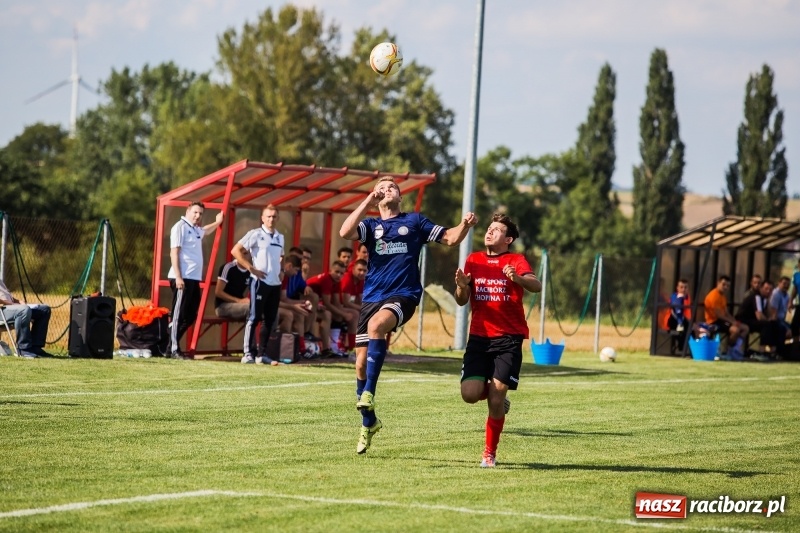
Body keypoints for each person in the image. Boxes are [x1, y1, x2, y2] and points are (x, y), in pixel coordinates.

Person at [339, 175, 478, 455]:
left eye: (393, 187)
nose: (388, 190)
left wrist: (464, 224)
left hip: (404, 295)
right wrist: (368, 199)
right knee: (359, 365)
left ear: (400, 197)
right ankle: (369, 422)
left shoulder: (414, 221)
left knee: (379, 325)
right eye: (383, 187)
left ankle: (369, 394)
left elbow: (450, 238)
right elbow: (344, 233)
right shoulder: (371, 226)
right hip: (372, 298)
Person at [454, 214, 541, 468]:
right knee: (469, 395)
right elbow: (461, 300)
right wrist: (461, 286)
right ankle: (497, 398)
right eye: (489, 228)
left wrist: (518, 278)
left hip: (508, 338)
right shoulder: (473, 260)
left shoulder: (516, 260)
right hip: (479, 337)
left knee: (495, 396)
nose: (490, 232)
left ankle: (489, 454)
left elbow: (536, 285)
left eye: (497, 230)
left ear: (509, 239)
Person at [167, 201, 224, 359]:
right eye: (195, 212)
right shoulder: (180, 227)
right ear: (188, 211)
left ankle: (169, 342)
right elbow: (174, 253)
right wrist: (178, 276)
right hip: (182, 278)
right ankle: (173, 349)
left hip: (193, 279)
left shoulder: (196, 229)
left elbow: (206, 230)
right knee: (178, 314)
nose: (198, 216)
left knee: (191, 315)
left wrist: (218, 222)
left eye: (200, 214)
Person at [231, 204, 284, 366]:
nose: (271, 219)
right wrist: (251, 268)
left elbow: (281, 256)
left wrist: (281, 270)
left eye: (274, 216)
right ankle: (247, 353)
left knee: (270, 320)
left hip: (275, 284)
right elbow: (236, 250)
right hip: (260, 282)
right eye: (268, 216)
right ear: (262, 218)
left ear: (278, 218)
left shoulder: (280, 237)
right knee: (254, 317)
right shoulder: (255, 234)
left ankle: (262, 354)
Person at [306, 260, 355, 356]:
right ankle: (326, 348)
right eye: (336, 272)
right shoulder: (326, 279)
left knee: (343, 315)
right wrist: (344, 314)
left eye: (341, 273)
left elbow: (336, 303)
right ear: (330, 270)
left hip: (316, 304)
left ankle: (335, 347)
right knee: (328, 315)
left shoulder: (337, 282)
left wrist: (343, 313)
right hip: (307, 302)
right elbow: (327, 304)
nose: (339, 275)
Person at [0, 279, 52, 358]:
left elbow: (6, 297)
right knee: (24, 310)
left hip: (9, 308)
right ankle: (23, 349)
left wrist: (19, 301)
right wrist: (10, 303)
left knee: (44, 310)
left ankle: (35, 348)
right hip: (2, 311)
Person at [703, 275, 748, 360]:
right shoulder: (713, 295)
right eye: (724, 284)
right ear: (718, 283)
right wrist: (732, 323)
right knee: (735, 330)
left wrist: (734, 321)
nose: (725, 287)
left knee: (745, 328)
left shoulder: (723, 296)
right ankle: (729, 351)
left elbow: (726, 313)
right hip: (714, 321)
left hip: (722, 320)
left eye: (727, 286)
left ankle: (736, 348)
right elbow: (719, 315)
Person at [736, 279, 781, 360]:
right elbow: (759, 316)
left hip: (753, 321)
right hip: (743, 320)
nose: (768, 291)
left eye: (770, 290)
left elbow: (769, 314)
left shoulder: (765, 299)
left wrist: (771, 319)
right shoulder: (756, 296)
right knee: (766, 325)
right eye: (766, 289)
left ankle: (773, 351)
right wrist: (768, 320)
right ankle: (761, 351)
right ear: (761, 288)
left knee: (775, 324)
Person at [341, 258, 368, 351]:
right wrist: (362, 309)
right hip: (336, 306)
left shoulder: (360, 281)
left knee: (368, 313)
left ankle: (365, 346)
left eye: (364, 270)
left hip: (343, 306)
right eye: (359, 270)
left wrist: (366, 308)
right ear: (353, 269)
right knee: (356, 314)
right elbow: (346, 302)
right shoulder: (347, 279)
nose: (362, 273)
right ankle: (352, 348)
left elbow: (360, 299)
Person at [667, 279, 692, 353]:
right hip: (672, 321)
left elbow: (688, 313)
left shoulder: (688, 297)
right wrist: (681, 322)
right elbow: (677, 312)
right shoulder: (675, 297)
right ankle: (682, 350)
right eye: (681, 287)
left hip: (685, 321)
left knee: (694, 329)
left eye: (685, 287)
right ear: (677, 288)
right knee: (684, 330)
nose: (683, 289)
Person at [790, 258, 800, 343]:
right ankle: (796, 344)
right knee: (795, 325)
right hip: (799, 304)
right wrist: (790, 301)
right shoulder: (796, 275)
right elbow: (795, 289)